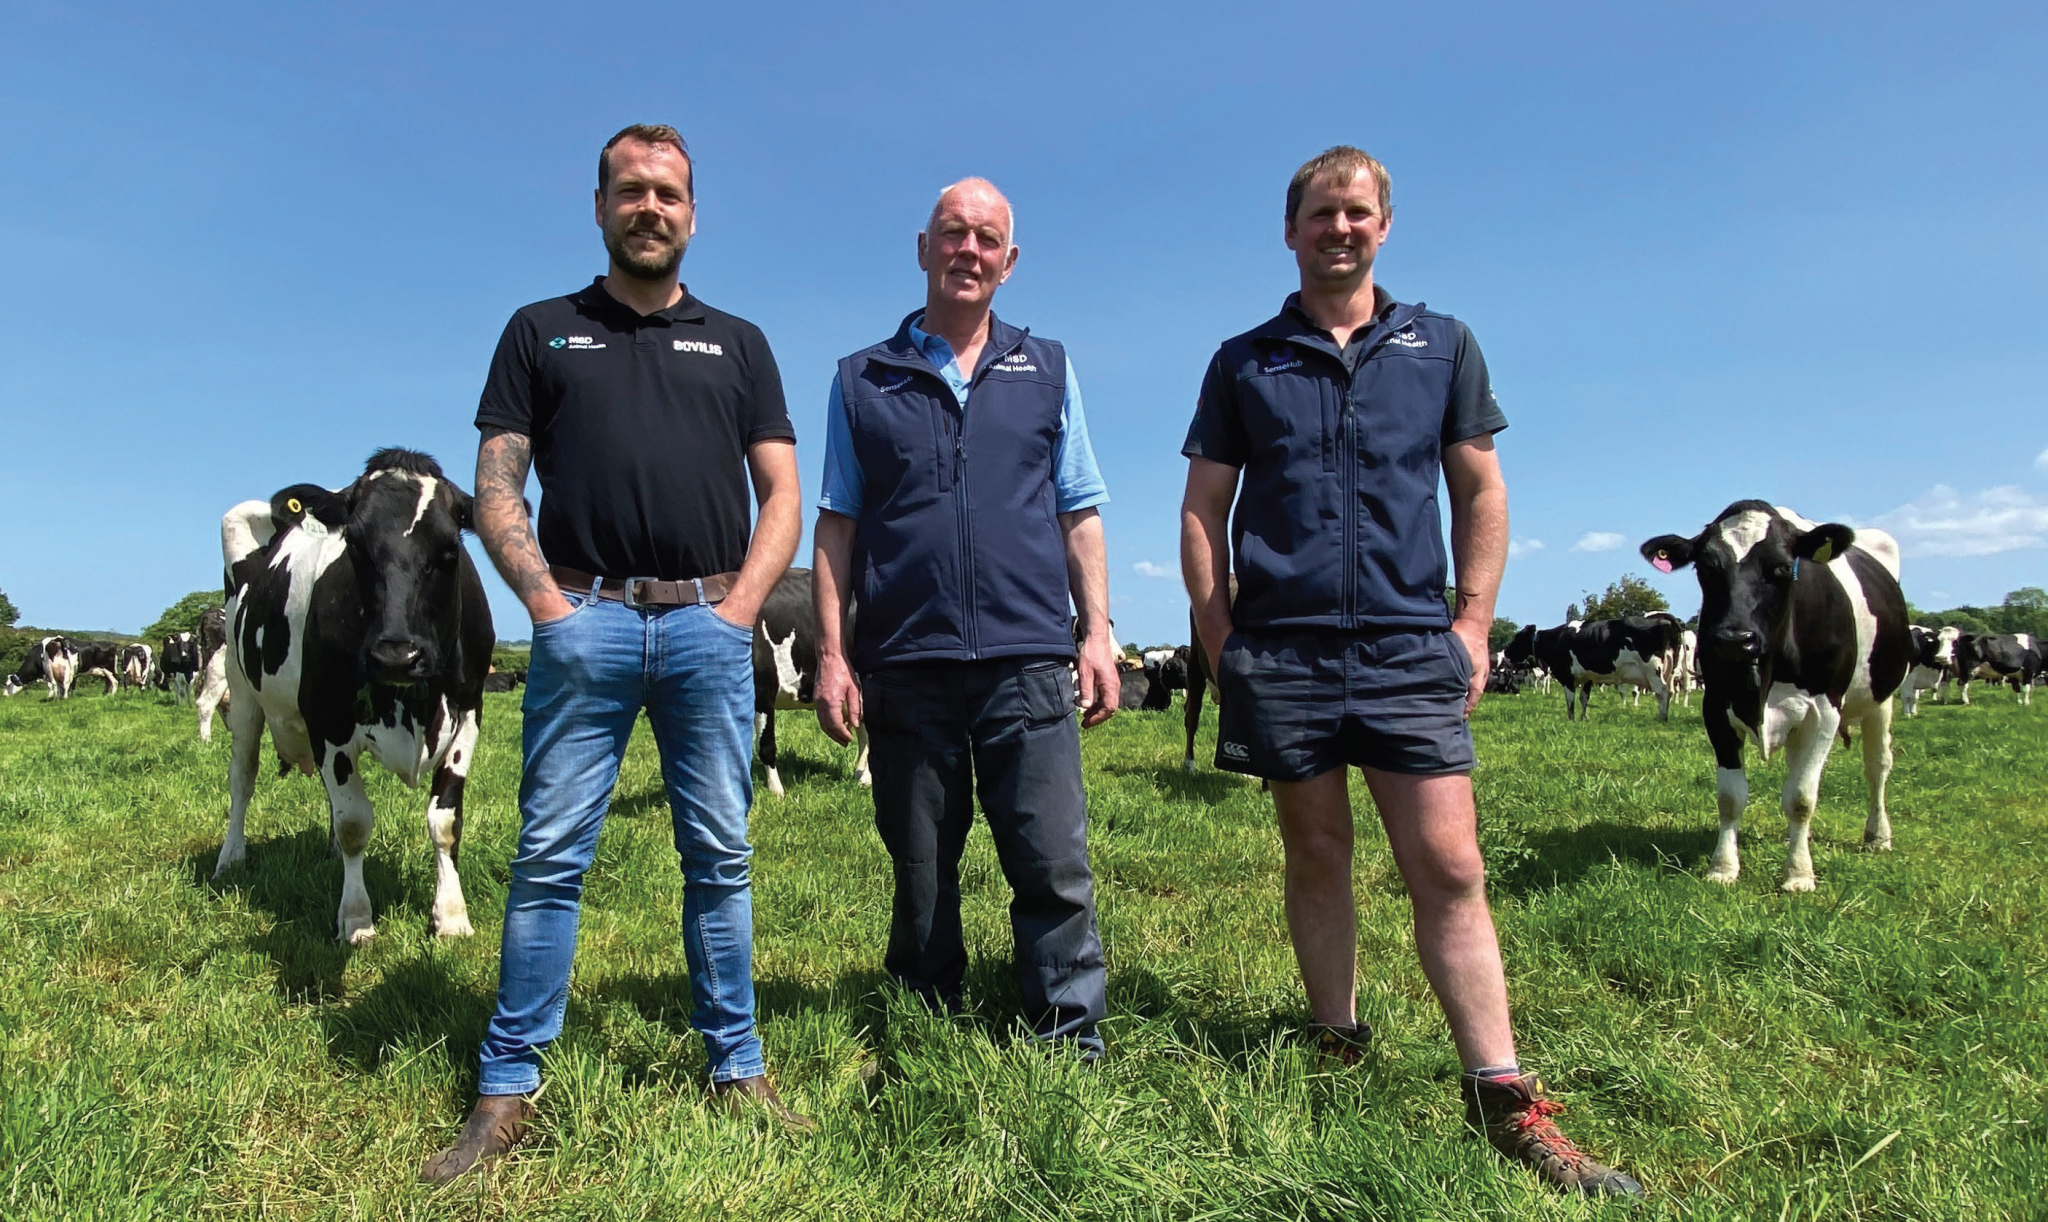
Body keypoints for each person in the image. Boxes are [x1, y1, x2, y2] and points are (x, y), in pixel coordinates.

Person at [1178, 146, 1642, 1198]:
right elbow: (1201, 511)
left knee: (1449, 863)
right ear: (1288, 230)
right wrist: (1220, 640)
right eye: (1318, 214)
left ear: (1382, 226)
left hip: (1401, 644)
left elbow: (1479, 490)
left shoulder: (1440, 346)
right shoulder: (1243, 361)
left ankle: (1500, 1093)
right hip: (1285, 647)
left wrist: (1472, 624)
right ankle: (1335, 1039)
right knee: (1315, 848)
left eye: (1355, 212)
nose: (1337, 228)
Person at [422, 123, 806, 1184]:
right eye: (630, 191)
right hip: (581, 621)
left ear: (692, 214)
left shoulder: (738, 342)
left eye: (668, 194)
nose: (650, 208)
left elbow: (782, 492)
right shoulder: (541, 331)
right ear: (597, 207)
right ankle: (506, 1086)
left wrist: (737, 614)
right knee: (550, 857)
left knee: (719, 855)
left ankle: (737, 1066)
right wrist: (545, 602)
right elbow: (497, 476)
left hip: (705, 626)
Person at [811, 177, 1116, 1059]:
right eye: (953, 233)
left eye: (987, 238)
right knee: (919, 867)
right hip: (907, 660)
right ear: (923, 248)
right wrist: (835, 653)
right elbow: (838, 521)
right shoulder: (863, 379)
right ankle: (922, 1021)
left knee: (1052, 862)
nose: (969, 250)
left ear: (1009, 261)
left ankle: (1069, 1037)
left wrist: (1096, 633)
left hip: (1027, 656)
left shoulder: (1047, 367)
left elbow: (1080, 507)